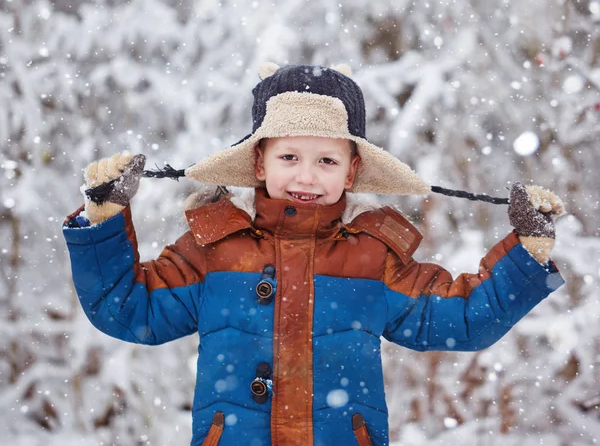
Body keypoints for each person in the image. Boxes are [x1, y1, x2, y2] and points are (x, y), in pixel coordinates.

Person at [63, 63, 565, 446]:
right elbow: (127, 308)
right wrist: (104, 217)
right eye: (289, 157)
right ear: (259, 162)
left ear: (351, 172)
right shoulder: (215, 249)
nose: (306, 177)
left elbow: (461, 318)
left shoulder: (373, 256)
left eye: (326, 160)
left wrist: (527, 255)